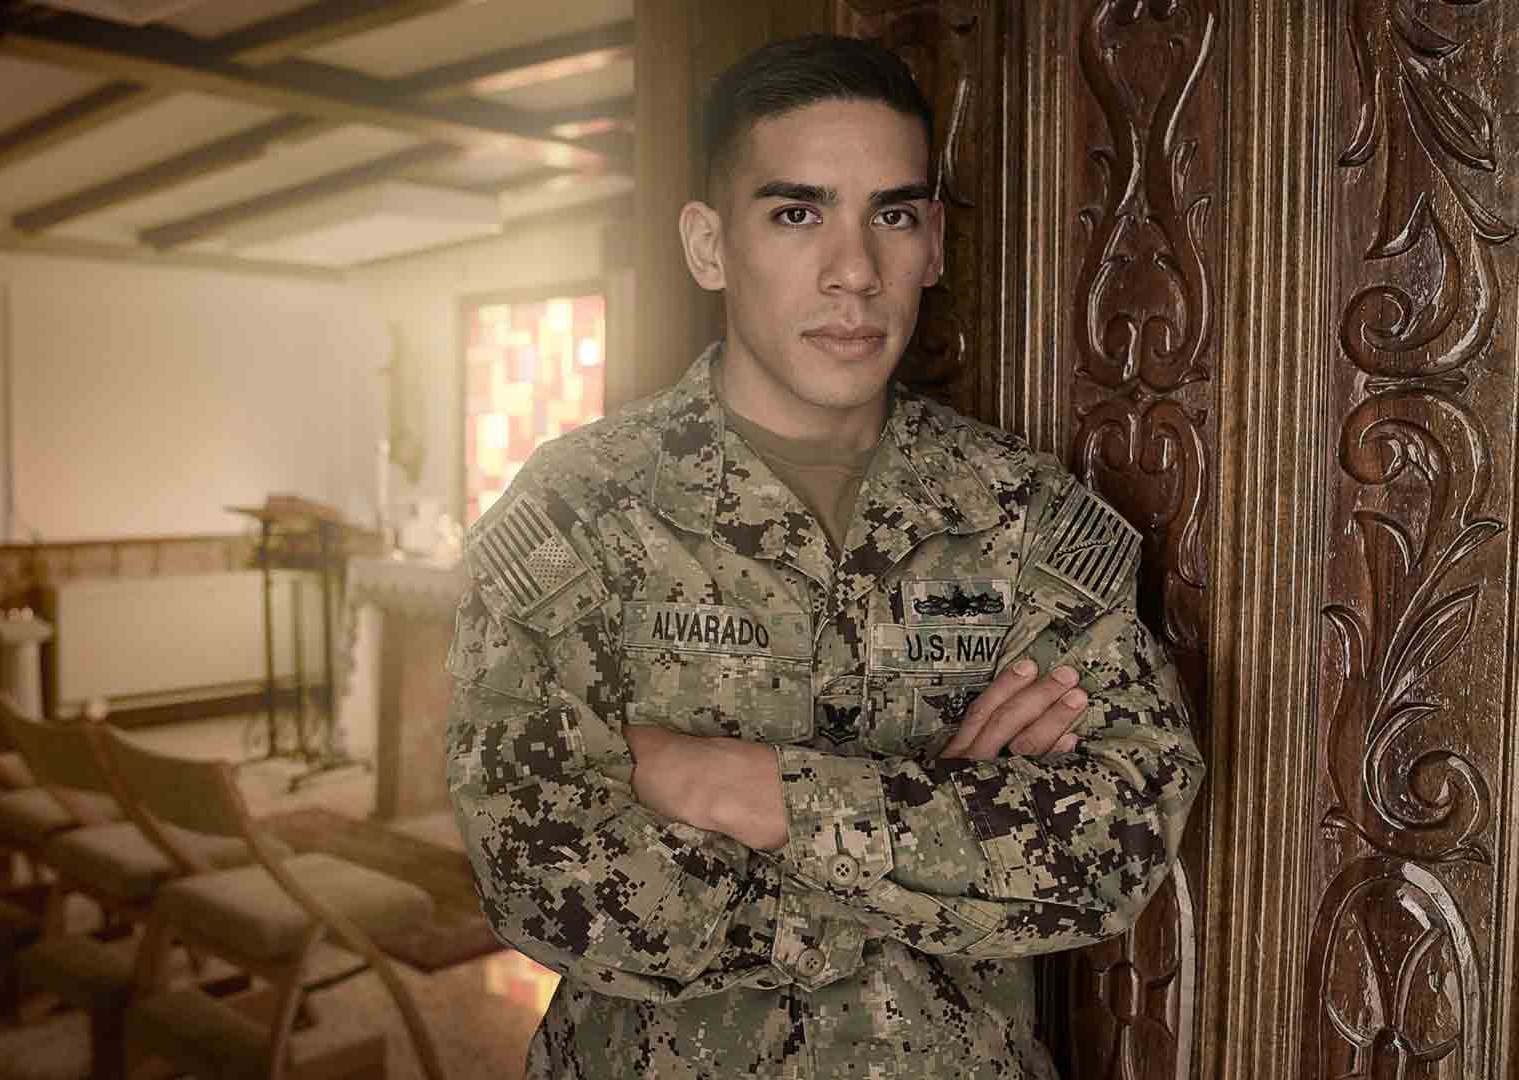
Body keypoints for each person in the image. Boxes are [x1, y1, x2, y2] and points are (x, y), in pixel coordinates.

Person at [444, 34, 1204, 1079]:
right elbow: (544, 876)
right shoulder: (582, 509)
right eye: (797, 212)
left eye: (891, 214)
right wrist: (933, 820)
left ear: (933, 244)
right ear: (710, 246)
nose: (854, 271)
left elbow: (1117, 844)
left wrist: (750, 792)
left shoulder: (1023, 516)